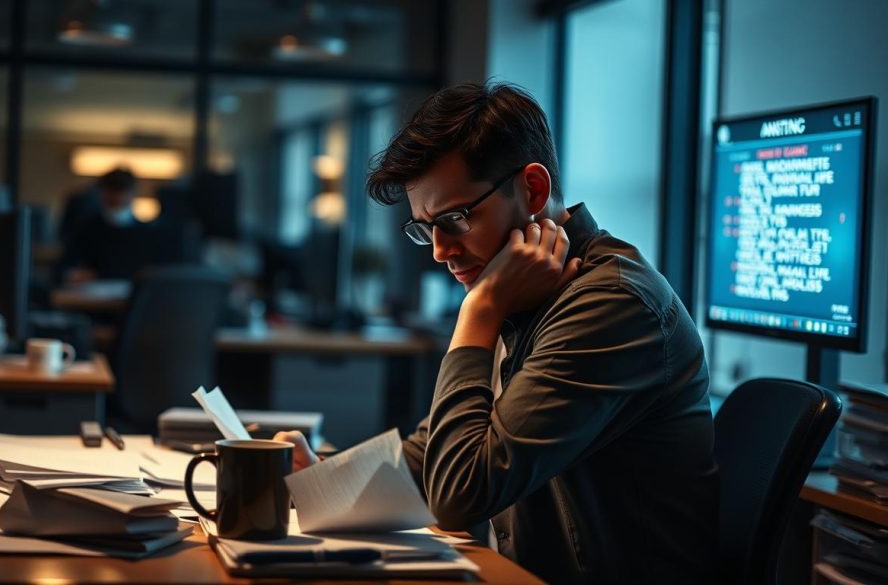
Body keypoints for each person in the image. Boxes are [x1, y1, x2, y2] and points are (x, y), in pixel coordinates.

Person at [276, 82, 718, 584]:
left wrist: (478, 311)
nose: (440, 251)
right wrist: (320, 479)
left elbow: (461, 495)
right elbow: (431, 460)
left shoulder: (613, 304)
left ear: (532, 189)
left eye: (455, 219)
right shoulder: (526, 290)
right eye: (426, 228)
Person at [56, 167, 140, 284]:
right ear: (102, 193)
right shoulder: (86, 229)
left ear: (132, 194)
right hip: (92, 292)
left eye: (121, 192)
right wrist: (72, 275)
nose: (116, 198)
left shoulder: (144, 232)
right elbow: (62, 267)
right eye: (111, 193)